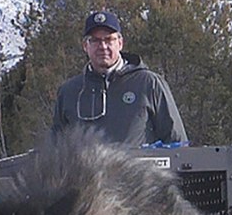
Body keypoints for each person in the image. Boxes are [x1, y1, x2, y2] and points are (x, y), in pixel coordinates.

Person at [53, 10, 187, 146]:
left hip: (137, 167)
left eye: (109, 39)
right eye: (95, 41)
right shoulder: (68, 92)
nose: (103, 46)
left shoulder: (149, 83)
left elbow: (177, 143)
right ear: (85, 46)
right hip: (85, 168)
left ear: (120, 43)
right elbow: (55, 148)